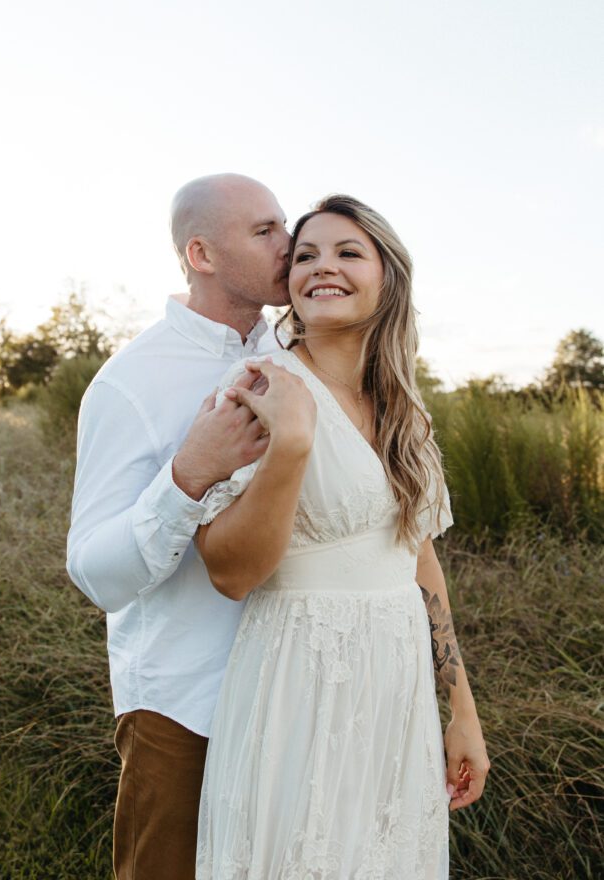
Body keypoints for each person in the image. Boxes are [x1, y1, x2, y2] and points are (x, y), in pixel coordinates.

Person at [195, 195, 490, 879]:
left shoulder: (403, 406)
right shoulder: (257, 387)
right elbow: (229, 573)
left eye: (347, 252)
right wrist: (293, 443)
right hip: (297, 677)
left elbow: (417, 557)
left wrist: (462, 711)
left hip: (397, 683)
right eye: (305, 256)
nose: (322, 267)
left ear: (388, 276)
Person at [66, 172, 290, 880]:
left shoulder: (296, 361)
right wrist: (186, 476)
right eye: (265, 231)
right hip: (182, 703)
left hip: (292, 691)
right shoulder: (129, 382)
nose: (291, 244)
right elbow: (95, 574)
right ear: (202, 254)